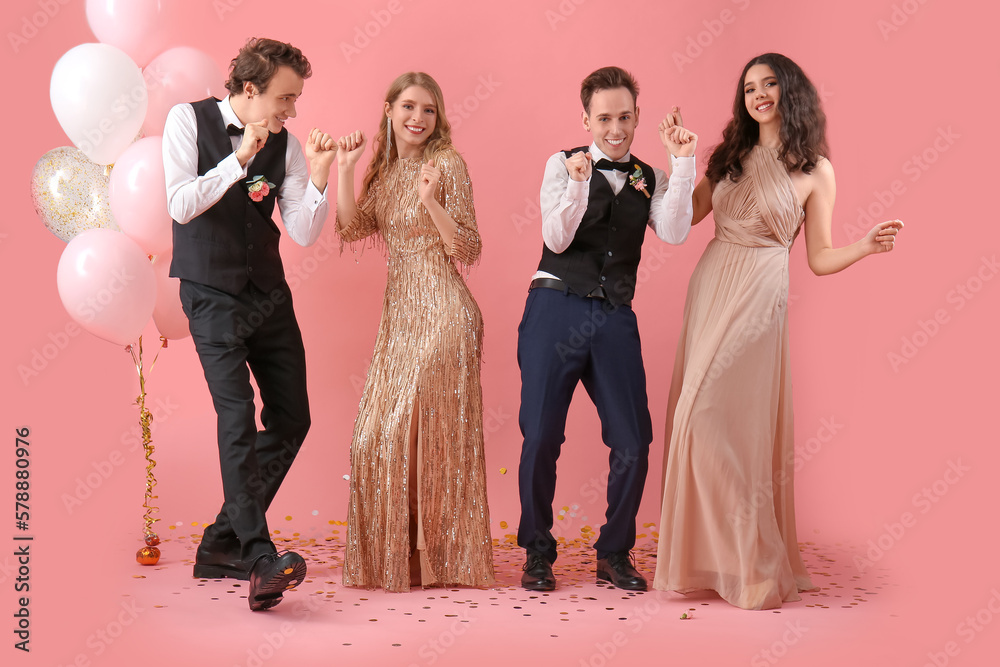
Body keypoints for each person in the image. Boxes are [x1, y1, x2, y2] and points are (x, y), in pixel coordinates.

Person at [653, 53, 902, 610]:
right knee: (695, 419)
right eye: (748, 87)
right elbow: (687, 217)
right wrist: (681, 156)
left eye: (769, 84)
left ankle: (756, 564)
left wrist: (864, 247)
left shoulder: (816, 169)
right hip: (712, 284)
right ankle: (717, 560)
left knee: (716, 418)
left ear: (791, 92)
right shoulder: (731, 155)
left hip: (761, 292)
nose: (758, 94)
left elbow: (818, 257)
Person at [163, 37, 337, 611]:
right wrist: (237, 160)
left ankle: (219, 543)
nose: (292, 111)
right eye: (285, 98)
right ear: (248, 88)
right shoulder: (185, 122)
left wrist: (317, 177)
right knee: (236, 415)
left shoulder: (285, 144)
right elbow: (181, 203)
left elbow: (303, 232)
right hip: (210, 295)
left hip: (268, 294)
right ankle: (258, 557)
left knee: (293, 417)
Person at [517, 66, 698, 592]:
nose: (614, 128)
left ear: (637, 116)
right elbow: (555, 235)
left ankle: (614, 552)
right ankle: (537, 551)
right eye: (603, 118)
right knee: (541, 436)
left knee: (634, 441)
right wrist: (576, 186)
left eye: (624, 117)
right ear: (586, 119)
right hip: (555, 305)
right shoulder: (562, 163)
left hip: (614, 313)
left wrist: (682, 162)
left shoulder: (649, 175)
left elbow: (675, 231)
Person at [335, 72, 494, 592]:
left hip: (446, 314)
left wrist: (431, 202)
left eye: (428, 109)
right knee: (374, 438)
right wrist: (344, 168)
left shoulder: (446, 164)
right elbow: (350, 227)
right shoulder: (384, 175)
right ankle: (400, 559)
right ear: (389, 109)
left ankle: (444, 561)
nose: (418, 118)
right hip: (400, 322)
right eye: (408, 106)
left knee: (435, 444)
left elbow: (468, 249)